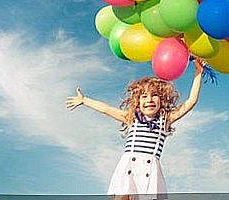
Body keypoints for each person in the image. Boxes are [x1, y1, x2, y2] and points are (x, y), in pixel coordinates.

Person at [66, 58, 205, 200]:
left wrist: (198, 73)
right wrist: (84, 100)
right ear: (137, 102)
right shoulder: (131, 118)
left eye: (154, 95)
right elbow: (106, 109)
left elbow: (191, 102)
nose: (149, 100)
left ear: (162, 100)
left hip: (150, 169)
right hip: (129, 167)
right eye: (144, 96)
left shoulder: (165, 120)